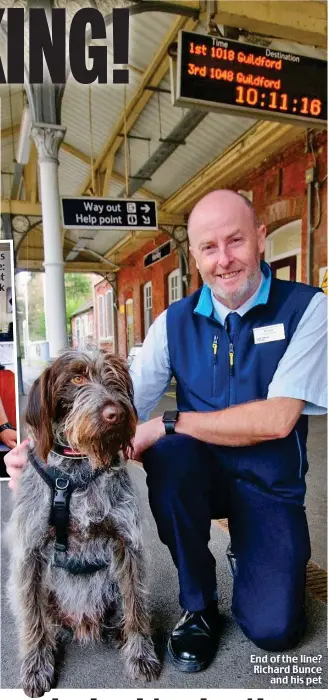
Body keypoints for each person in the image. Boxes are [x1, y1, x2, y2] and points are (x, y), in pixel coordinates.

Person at [5, 190, 327, 674]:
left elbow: (278, 418)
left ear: (260, 239)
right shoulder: (173, 322)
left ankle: (249, 549)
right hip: (197, 478)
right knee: (169, 457)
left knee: (275, 631)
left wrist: (173, 421)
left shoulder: (307, 308)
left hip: (269, 485)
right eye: (209, 248)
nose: (224, 260)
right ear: (194, 256)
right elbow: (118, 406)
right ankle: (197, 606)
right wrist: (34, 454)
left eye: (235, 241)